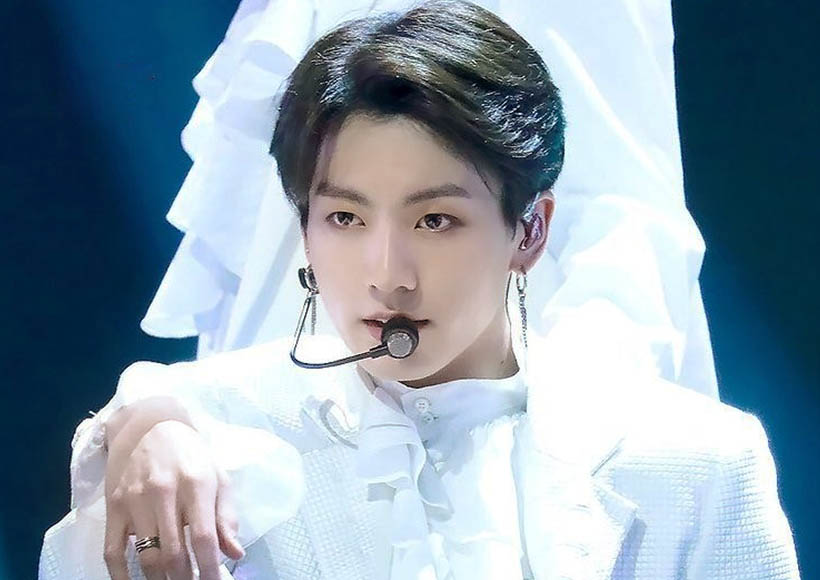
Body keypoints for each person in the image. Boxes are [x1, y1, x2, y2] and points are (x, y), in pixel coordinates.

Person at [40, 1, 800, 579]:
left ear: (531, 231)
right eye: (344, 218)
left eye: (436, 220)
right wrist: (151, 425)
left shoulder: (696, 464)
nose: (388, 274)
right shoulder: (201, 444)